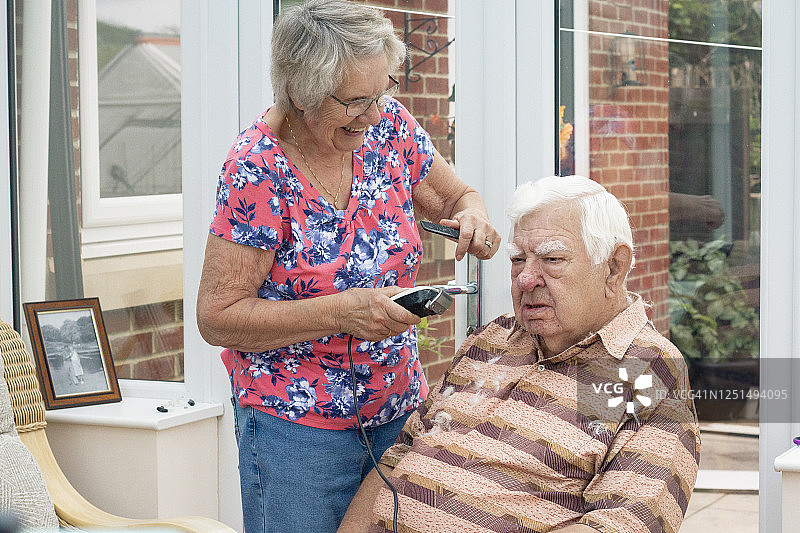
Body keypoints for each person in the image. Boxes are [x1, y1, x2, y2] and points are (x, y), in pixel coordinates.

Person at [195, 1, 501, 532]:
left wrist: (473, 215)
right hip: (297, 433)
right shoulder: (256, 169)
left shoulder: (389, 129)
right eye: (356, 101)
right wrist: (341, 312)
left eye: (383, 91)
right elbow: (217, 316)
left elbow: (456, 196)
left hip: (399, 409)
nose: (375, 113)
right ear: (298, 94)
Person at [340, 175, 700, 533]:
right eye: (517, 260)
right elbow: (395, 461)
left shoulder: (644, 374)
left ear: (613, 267)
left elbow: (619, 525)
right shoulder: (492, 340)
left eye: (553, 258)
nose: (526, 279)